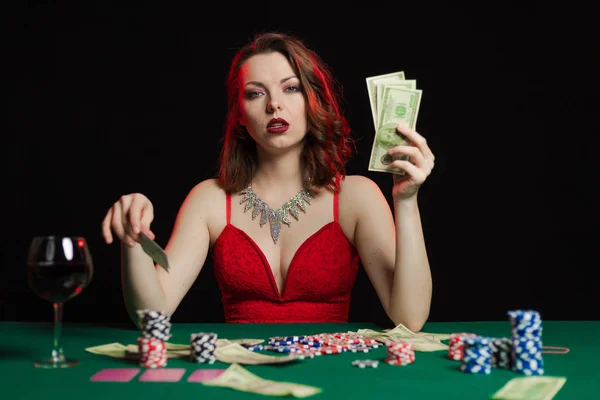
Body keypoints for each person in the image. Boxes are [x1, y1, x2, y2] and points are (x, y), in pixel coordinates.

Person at [101, 32, 435, 331]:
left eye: (291, 88)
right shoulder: (209, 200)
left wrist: (406, 201)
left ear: (313, 101)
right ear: (240, 116)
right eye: (255, 93)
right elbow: (152, 315)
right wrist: (134, 238)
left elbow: (410, 318)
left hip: (332, 377)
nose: (274, 104)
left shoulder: (357, 196)